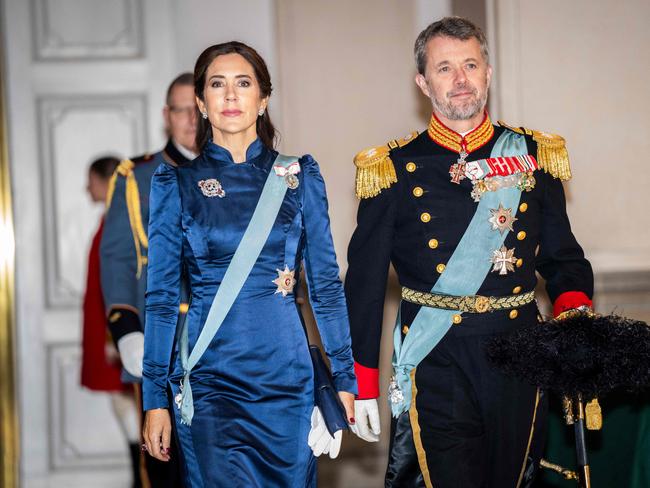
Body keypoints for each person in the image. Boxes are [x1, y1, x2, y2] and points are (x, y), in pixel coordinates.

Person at [345, 16, 594, 488]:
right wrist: (359, 381)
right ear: (423, 82)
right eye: (444, 68)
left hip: (521, 354)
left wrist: (575, 322)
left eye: (470, 65)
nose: (460, 80)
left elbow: (564, 259)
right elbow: (364, 284)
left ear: (488, 72)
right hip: (437, 357)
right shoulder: (392, 169)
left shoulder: (535, 156)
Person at [141, 41, 357, 487]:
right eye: (217, 85)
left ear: (263, 99)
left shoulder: (300, 176)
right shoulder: (176, 183)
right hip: (210, 380)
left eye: (244, 83)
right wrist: (154, 398)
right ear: (201, 103)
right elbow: (161, 299)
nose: (231, 96)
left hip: (287, 378)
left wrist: (345, 378)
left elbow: (325, 288)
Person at [100, 73, 198, 487]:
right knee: (164, 467)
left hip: (229, 340)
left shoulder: (240, 170)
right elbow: (118, 257)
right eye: (182, 111)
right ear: (166, 116)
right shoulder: (135, 176)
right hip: (161, 341)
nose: (192, 121)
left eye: (198, 110)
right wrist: (126, 333)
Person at [81, 156, 142, 488]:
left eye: (90, 179)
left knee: (132, 414)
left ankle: (141, 479)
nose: (86, 187)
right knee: (126, 414)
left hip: (114, 333)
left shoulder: (119, 223)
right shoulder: (110, 220)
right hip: (103, 328)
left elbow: (118, 284)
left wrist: (112, 337)